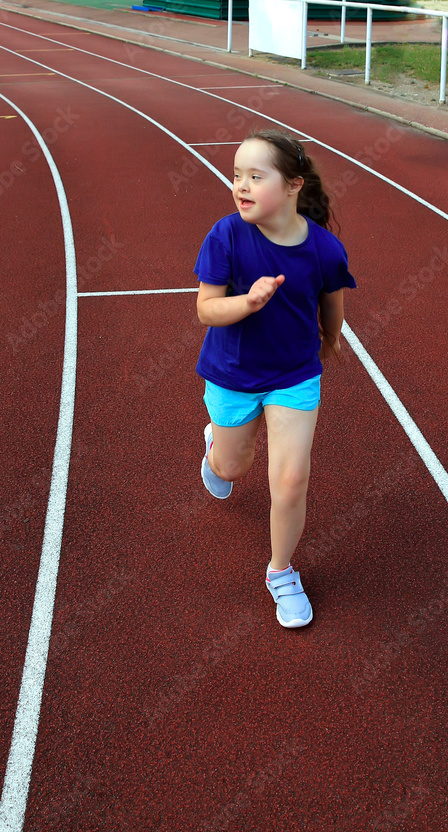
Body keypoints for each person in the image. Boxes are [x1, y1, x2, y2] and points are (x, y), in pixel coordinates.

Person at [193, 129, 356, 629]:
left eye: (254, 176)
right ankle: (218, 449)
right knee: (233, 467)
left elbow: (334, 310)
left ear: (292, 186)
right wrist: (248, 302)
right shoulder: (225, 235)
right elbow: (205, 310)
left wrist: (328, 343)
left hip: (294, 376)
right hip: (233, 375)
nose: (240, 185)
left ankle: (280, 572)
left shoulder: (325, 249)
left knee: (290, 480)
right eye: (236, 175)